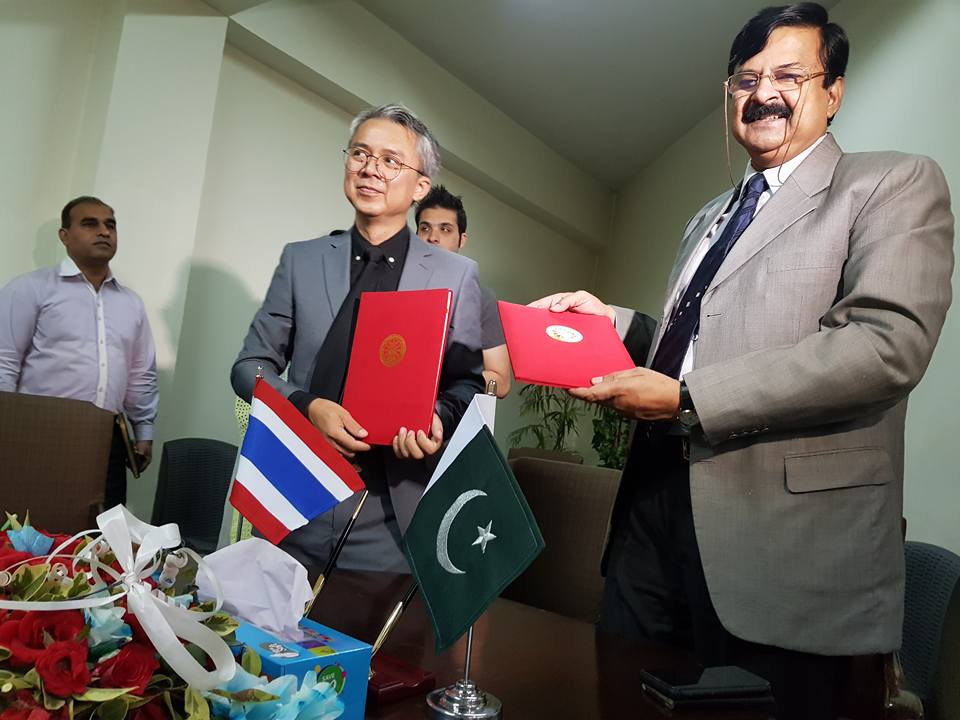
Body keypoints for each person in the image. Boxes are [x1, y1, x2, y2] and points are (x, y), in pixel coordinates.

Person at [532, 4, 954, 718]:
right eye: (746, 79)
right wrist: (617, 324)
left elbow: (886, 344)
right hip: (649, 516)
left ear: (834, 92)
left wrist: (688, 400)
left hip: (784, 544)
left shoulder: (891, 182)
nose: (764, 94)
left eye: (789, 76)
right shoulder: (709, 216)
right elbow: (695, 344)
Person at [232, 104, 484, 574]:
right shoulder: (301, 260)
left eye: (391, 161)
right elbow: (250, 367)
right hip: (295, 487)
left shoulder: (456, 275)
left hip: (389, 509)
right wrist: (307, 405)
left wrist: (435, 419)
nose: (371, 169)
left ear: (420, 187)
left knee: (368, 622)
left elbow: (467, 383)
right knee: (266, 617)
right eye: (360, 154)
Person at [0, 196, 158, 508]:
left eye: (110, 225)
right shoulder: (31, 289)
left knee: (102, 530)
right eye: (89, 224)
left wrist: (144, 430)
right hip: (38, 431)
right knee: (33, 524)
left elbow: (140, 373)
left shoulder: (131, 303)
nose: (104, 231)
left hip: (108, 438)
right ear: (64, 235)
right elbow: (5, 360)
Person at [415, 185, 511, 398]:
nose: (433, 238)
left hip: (447, 412)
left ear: (462, 239)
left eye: (445, 229)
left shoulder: (481, 300)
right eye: (425, 228)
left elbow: (502, 382)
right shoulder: (395, 284)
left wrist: (450, 377)